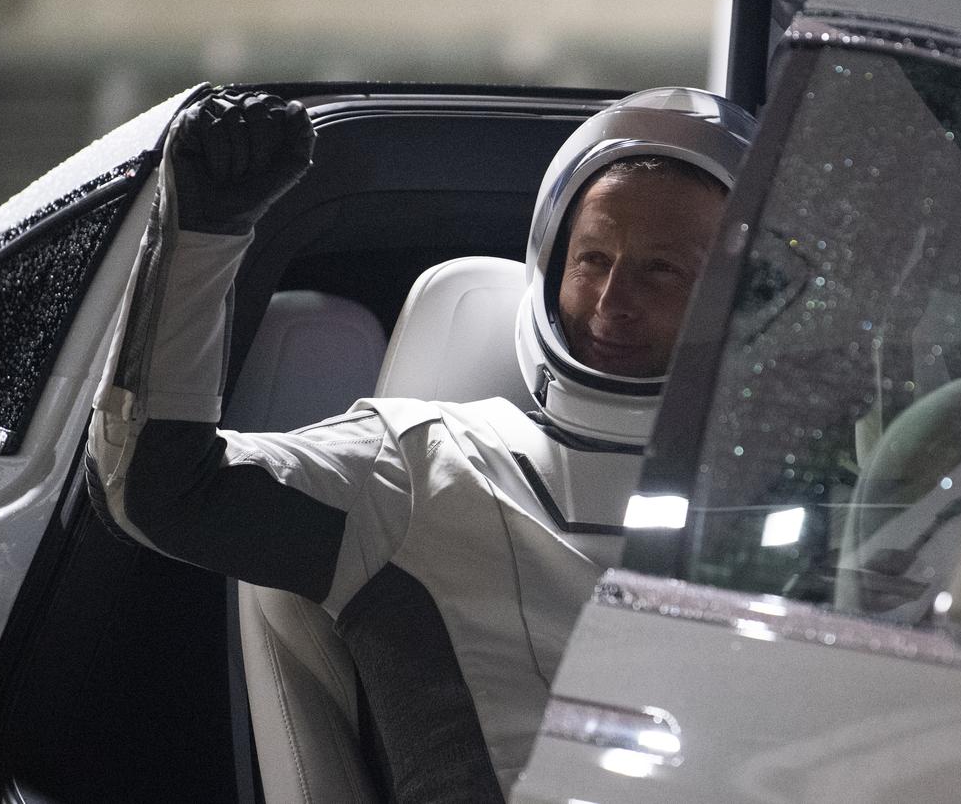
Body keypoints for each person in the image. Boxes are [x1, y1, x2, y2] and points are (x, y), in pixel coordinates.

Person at [87, 86, 754, 803]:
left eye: (661, 271)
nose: (611, 300)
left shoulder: (797, 510)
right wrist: (202, 233)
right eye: (592, 259)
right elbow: (158, 486)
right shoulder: (419, 469)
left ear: (740, 293)